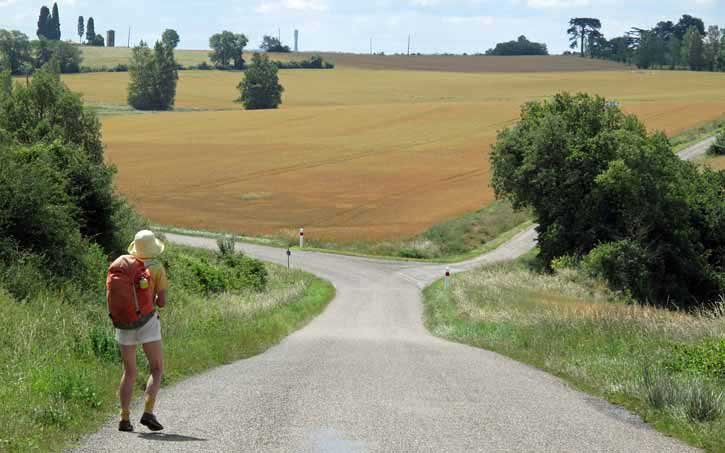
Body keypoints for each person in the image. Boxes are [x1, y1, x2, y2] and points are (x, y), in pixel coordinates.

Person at [116, 230, 169, 433]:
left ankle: (124, 418)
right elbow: (162, 302)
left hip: (124, 321)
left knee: (129, 371)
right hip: (147, 321)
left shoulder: (122, 265)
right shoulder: (156, 267)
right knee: (156, 368)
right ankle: (148, 412)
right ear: (153, 247)